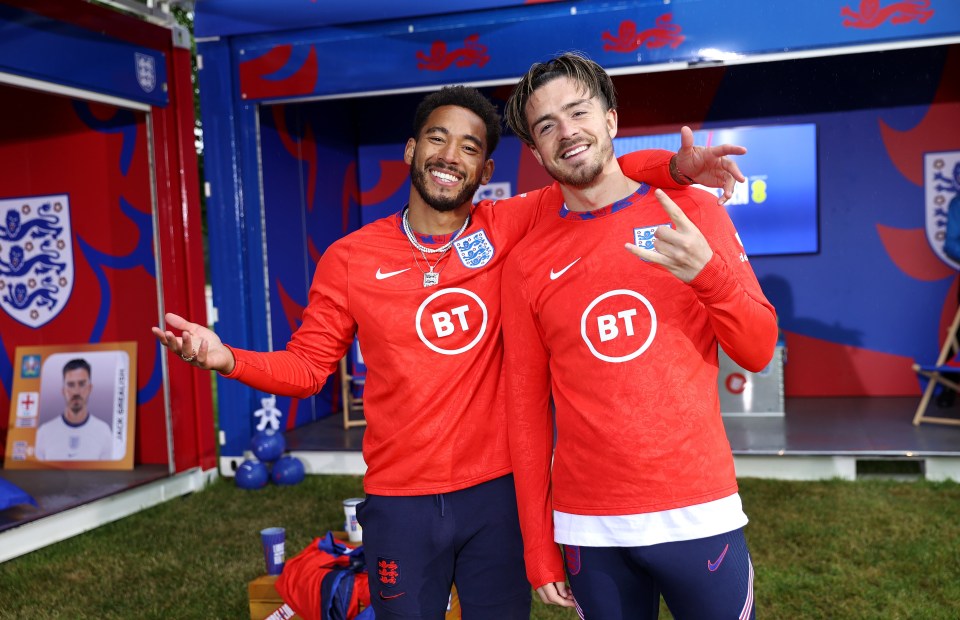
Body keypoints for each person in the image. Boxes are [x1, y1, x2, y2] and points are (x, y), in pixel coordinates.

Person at [153, 85, 747, 619]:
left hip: (497, 497)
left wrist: (672, 167)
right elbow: (308, 369)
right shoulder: (351, 258)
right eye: (437, 139)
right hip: (399, 501)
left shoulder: (509, 223)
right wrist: (226, 358)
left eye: (469, 147)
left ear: (486, 168)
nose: (449, 156)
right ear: (410, 150)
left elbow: (598, 171)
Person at [500, 53, 778, 619]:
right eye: (546, 126)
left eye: (578, 112)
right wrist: (538, 542)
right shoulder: (527, 262)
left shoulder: (691, 210)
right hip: (589, 529)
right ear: (534, 151)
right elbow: (525, 412)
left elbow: (756, 351)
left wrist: (708, 275)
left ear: (611, 119)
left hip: (700, 511)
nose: (566, 132)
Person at [35, 358, 113, 461]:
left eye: (81, 384)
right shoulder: (44, 433)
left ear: (90, 388)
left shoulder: (104, 432)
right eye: (71, 385)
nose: (76, 391)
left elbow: (108, 475)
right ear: (63, 390)